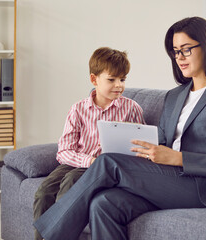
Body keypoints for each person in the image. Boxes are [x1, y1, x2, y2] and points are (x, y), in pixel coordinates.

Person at [34, 17, 206, 240]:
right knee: (104, 203)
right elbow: (160, 140)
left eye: (186, 49)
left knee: (108, 162)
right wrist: (131, 138)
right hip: (170, 180)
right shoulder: (174, 96)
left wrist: (178, 158)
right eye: (176, 51)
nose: (180, 57)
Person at [33, 47, 145, 240]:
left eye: (123, 79)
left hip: (105, 167)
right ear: (94, 80)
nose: (119, 85)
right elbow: (64, 151)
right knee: (43, 192)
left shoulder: (131, 109)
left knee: (70, 183)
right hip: (78, 161)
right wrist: (89, 161)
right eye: (112, 79)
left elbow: (140, 144)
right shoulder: (78, 109)